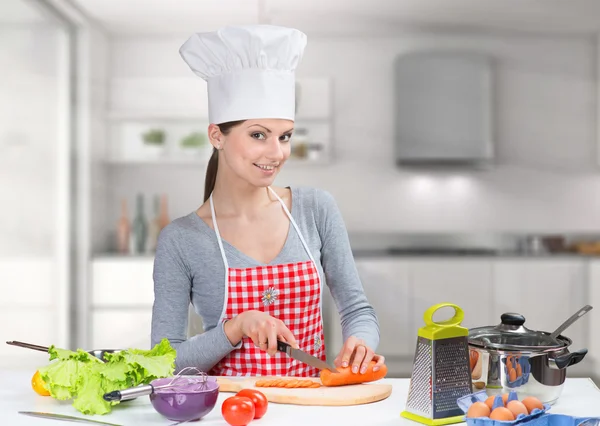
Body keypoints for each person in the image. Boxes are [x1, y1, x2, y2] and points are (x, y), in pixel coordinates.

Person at [151, 25, 383, 378]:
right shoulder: (181, 240)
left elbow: (357, 310)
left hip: (309, 406)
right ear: (217, 135)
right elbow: (165, 362)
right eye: (258, 135)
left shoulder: (316, 209)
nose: (277, 153)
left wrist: (362, 343)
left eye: (285, 136)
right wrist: (236, 327)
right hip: (230, 412)